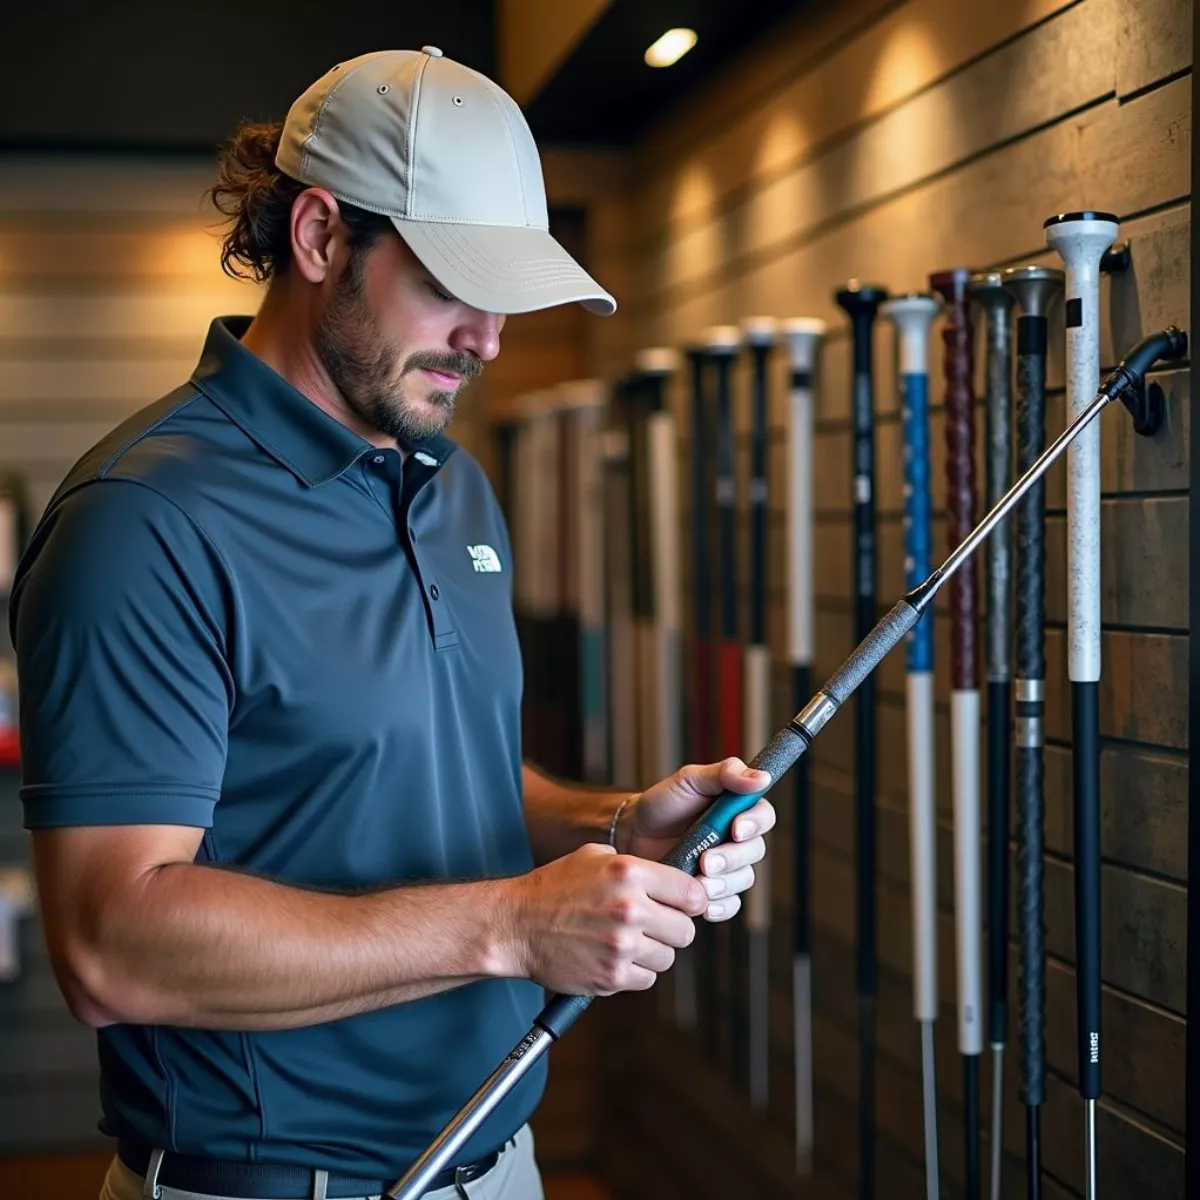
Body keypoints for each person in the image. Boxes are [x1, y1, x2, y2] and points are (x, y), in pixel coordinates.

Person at [9, 47, 776, 1200]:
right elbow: (114, 945)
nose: (491, 340)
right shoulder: (144, 521)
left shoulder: (450, 484)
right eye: (454, 285)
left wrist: (613, 826)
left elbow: (429, 778)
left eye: (506, 298)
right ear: (320, 239)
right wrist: (516, 927)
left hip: (496, 1161)